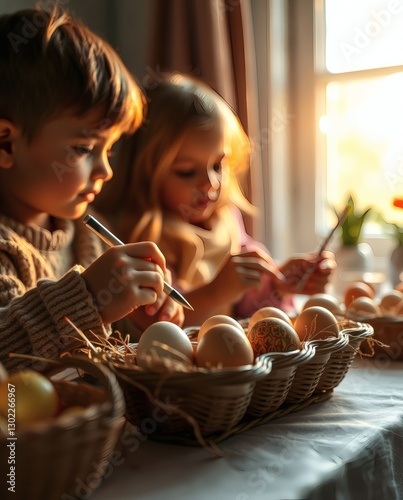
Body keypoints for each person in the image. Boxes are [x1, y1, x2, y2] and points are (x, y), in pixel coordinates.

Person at [0, 6, 183, 373]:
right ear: (6, 144)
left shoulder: (86, 233)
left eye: (109, 149)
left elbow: (97, 347)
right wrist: (89, 299)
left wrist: (138, 318)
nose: (106, 170)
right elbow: (9, 358)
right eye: (84, 149)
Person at [98, 72, 335, 327]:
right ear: (145, 172)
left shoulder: (226, 220)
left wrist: (280, 283)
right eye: (187, 171)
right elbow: (156, 329)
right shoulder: (142, 239)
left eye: (218, 165)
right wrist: (216, 292)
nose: (210, 183)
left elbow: (248, 307)